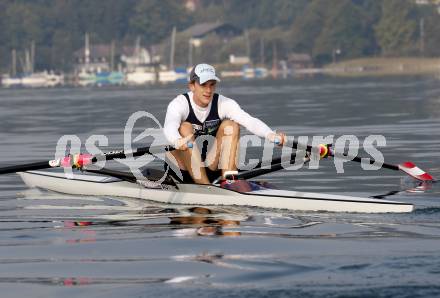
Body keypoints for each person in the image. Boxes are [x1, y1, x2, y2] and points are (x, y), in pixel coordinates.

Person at [163, 63, 286, 184]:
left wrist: (270, 135)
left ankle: (229, 182)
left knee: (231, 126)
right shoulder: (179, 104)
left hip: (210, 166)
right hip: (181, 170)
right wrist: (177, 140)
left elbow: (249, 121)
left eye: (212, 85)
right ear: (192, 86)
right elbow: (170, 126)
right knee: (185, 128)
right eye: (203, 85)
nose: (208, 90)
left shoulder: (223, 103)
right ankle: (206, 188)